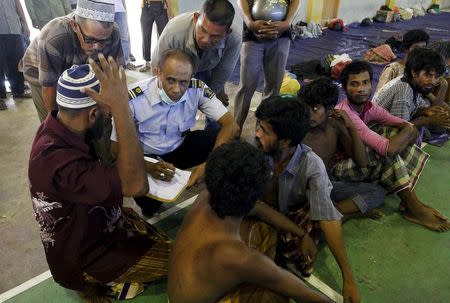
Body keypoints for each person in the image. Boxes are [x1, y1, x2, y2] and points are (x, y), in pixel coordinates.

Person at [28, 58, 171, 301]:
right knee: (180, 257)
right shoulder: (59, 163)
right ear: (94, 113)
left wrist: (146, 163)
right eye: (108, 114)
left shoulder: (59, 126)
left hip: (98, 226)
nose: (110, 118)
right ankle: (96, 282)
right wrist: (122, 109)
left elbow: (114, 152)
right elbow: (136, 186)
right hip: (86, 255)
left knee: (155, 235)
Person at [168, 140, 332, 303]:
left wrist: (302, 234)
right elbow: (300, 292)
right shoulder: (240, 257)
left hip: (181, 289)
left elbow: (262, 210)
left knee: (260, 227)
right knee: (274, 296)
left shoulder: (205, 196)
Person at [254, 96, 361, 302]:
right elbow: (251, 205)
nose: (257, 134)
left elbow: (327, 218)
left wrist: (348, 279)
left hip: (291, 214)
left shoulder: (312, 165)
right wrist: (302, 234)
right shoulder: (254, 151)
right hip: (261, 213)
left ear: (285, 141)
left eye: (265, 131)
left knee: (298, 252)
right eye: (259, 126)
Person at [111, 49, 239, 216]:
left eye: (183, 82)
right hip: (148, 156)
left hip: (181, 147)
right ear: (158, 72)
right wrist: (148, 166)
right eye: (170, 80)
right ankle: (150, 206)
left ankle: (219, 193)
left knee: (228, 145)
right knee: (148, 203)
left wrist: (208, 165)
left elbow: (231, 126)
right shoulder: (133, 98)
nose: (177, 89)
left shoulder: (197, 89)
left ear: (191, 77)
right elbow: (114, 148)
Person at [335, 60, 450, 232]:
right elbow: (389, 149)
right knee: (388, 148)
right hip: (339, 170)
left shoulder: (369, 107)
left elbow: (403, 124)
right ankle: (412, 205)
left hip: (360, 161)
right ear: (344, 88)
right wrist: (421, 122)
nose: (361, 89)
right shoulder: (345, 112)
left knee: (396, 132)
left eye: (365, 82)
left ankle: (409, 202)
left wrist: (413, 125)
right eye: (354, 84)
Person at [22, 0, 125, 123]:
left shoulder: (114, 33)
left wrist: (116, 108)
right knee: (57, 123)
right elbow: (49, 87)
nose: (97, 47)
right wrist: (55, 124)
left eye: (103, 41)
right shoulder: (54, 37)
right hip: (39, 72)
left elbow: (116, 76)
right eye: (90, 39)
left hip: (80, 67)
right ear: (75, 25)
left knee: (95, 119)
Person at [301, 78, 386, 220]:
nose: (309, 114)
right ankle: (346, 212)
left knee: (378, 192)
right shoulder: (299, 126)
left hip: (327, 186)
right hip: (302, 190)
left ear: (329, 110)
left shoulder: (335, 126)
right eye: (306, 107)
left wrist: (351, 127)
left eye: (315, 109)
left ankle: (335, 213)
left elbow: (362, 162)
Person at [151, 0, 241, 106]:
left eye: (214, 36)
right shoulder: (173, 32)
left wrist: (211, 97)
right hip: (178, 72)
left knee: (216, 104)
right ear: (196, 18)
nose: (205, 40)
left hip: (208, 69)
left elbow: (222, 73)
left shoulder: (234, 38)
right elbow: (157, 69)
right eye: (202, 30)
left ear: (227, 33)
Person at [234, 0, 300, 133]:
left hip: (281, 35)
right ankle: (235, 131)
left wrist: (287, 22)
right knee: (246, 86)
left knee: (273, 88)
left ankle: (262, 134)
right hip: (252, 36)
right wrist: (249, 22)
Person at [373, 48, 450, 133]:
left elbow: (417, 107)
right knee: (416, 133)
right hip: (376, 131)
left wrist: (426, 111)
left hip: (396, 124)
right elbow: (402, 127)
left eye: (437, 77)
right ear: (414, 72)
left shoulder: (413, 84)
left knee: (439, 127)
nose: (432, 81)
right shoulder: (403, 91)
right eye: (428, 75)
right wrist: (429, 120)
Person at [375, 29, 448, 105]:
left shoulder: (423, 69)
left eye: (423, 48)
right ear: (406, 49)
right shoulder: (393, 69)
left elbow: (426, 95)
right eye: (416, 48)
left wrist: (443, 85)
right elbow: (379, 97)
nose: (421, 52)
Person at [0, 0, 31, 110]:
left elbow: (18, 5)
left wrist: (25, 24)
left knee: (16, 62)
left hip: (14, 28)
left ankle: (18, 91)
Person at [139, 0, 172, 72]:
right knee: (145, 36)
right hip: (146, 6)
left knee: (164, 37)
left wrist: (169, 9)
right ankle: (146, 62)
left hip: (161, 6)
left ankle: (166, 62)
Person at [112, 0, 135, 69]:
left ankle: (126, 61)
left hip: (119, 9)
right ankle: (110, 62)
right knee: (105, 36)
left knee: (123, 36)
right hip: (104, 8)